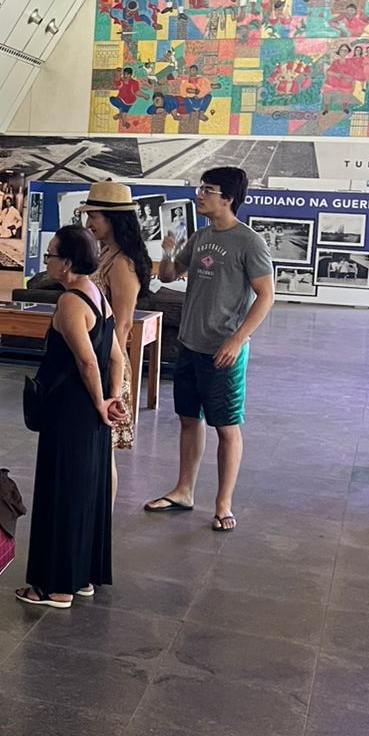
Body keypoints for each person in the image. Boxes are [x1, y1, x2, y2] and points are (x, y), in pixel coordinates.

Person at [145, 167, 274, 533]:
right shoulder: (201, 236)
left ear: (228, 198)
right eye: (200, 188)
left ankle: (223, 504)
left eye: (208, 189)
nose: (199, 194)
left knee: (227, 427)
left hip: (223, 350)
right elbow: (169, 275)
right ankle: (183, 491)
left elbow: (266, 296)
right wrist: (168, 252)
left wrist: (237, 339)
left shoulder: (249, 242)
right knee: (189, 419)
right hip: (189, 344)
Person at [17, 225, 128, 607]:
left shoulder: (69, 303)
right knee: (84, 492)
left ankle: (56, 587)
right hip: (92, 414)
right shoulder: (98, 296)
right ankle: (82, 578)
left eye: (50, 255)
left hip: (70, 410)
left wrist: (99, 401)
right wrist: (112, 399)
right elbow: (115, 357)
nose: (46, 261)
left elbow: (86, 361)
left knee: (61, 491)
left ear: (66, 263)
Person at [77, 181, 154, 500]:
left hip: (107, 362)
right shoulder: (105, 253)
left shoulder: (122, 263)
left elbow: (121, 324)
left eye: (93, 216)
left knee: (103, 450)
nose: (88, 223)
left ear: (114, 219)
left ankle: (101, 517)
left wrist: (109, 372)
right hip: (95, 358)